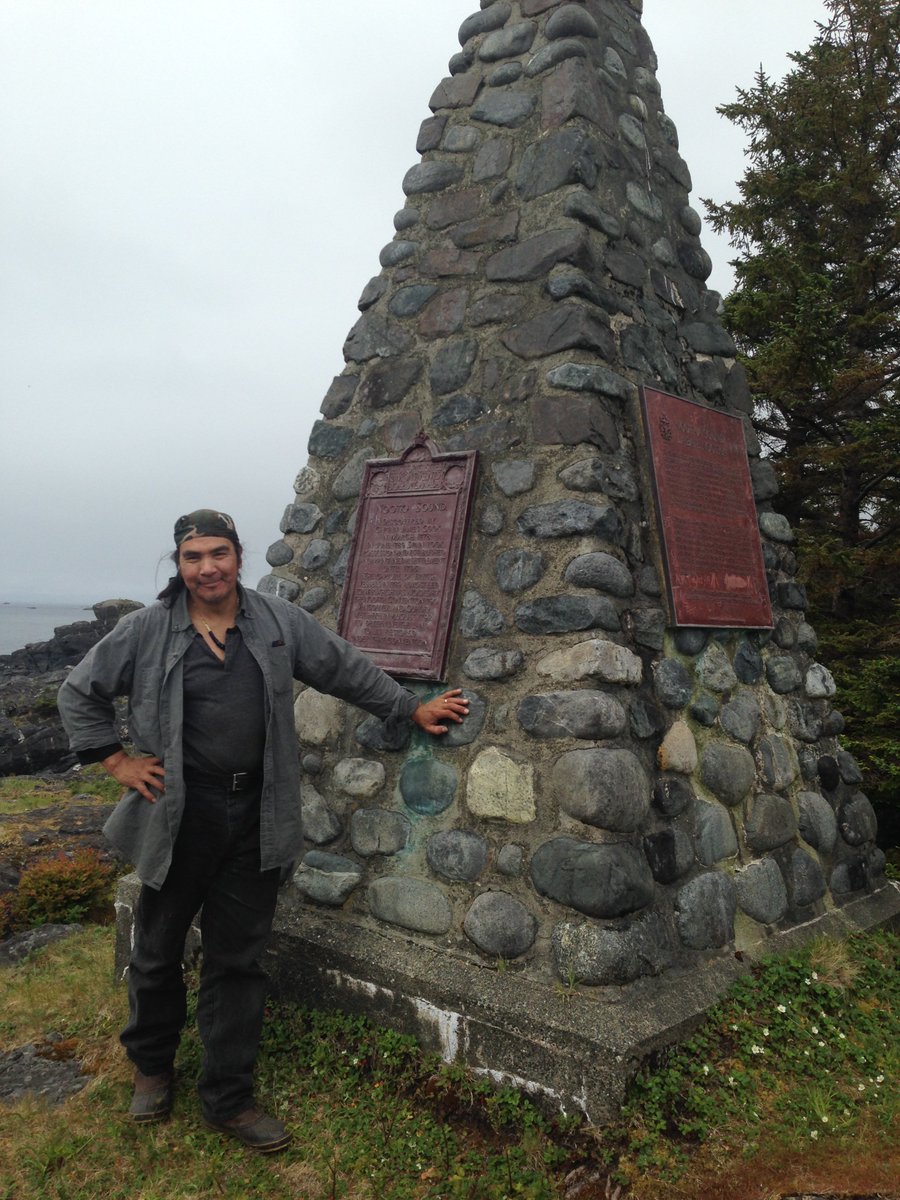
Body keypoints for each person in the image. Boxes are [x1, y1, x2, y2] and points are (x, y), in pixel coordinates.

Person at [57, 508, 468, 1154]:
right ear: (180, 563)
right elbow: (79, 692)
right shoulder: (145, 631)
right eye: (193, 557)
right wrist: (117, 761)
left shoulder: (277, 623)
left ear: (239, 557)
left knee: (239, 960)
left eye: (218, 553)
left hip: (255, 817)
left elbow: (342, 667)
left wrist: (409, 706)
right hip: (177, 816)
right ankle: (152, 1065)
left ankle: (228, 1097)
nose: (207, 567)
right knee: (158, 950)